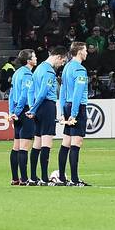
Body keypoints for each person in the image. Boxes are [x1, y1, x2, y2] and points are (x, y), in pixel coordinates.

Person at [26, 46, 67, 185]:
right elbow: (43, 92)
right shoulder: (49, 72)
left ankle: (32, 177)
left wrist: (32, 107)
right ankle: (44, 178)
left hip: (38, 107)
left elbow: (31, 90)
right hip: (47, 106)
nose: (61, 65)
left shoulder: (39, 68)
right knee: (46, 142)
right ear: (58, 57)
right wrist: (34, 109)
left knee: (37, 142)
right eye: (62, 62)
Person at [56, 42, 90, 186]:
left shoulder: (67, 67)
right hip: (77, 107)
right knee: (76, 143)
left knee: (66, 142)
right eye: (85, 50)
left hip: (67, 105)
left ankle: (62, 177)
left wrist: (62, 110)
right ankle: (74, 179)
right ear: (80, 51)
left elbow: (62, 90)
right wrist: (75, 113)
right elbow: (78, 92)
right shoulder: (80, 70)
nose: (87, 52)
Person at [7, 49, 36, 186]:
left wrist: (12, 112)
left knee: (16, 146)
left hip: (17, 112)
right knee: (24, 147)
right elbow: (25, 95)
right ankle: (24, 179)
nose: (36, 58)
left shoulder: (16, 73)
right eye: (34, 56)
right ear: (29, 60)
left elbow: (11, 94)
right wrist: (17, 112)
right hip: (24, 111)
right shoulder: (27, 74)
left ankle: (15, 178)